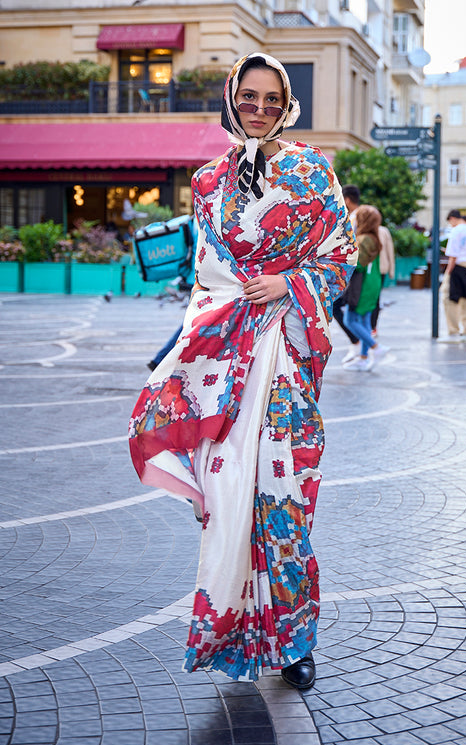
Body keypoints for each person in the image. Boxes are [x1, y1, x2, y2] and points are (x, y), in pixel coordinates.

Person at [128, 52, 358, 689]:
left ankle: (293, 643)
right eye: (249, 97)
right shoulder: (206, 182)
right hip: (226, 362)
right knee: (230, 501)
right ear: (233, 99)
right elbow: (207, 275)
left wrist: (288, 281)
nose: (260, 109)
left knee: (284, 500)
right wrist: (207, 331)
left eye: (272, 101)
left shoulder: (315, 172)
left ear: (288, 108)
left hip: (285, 358)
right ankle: (230, 628)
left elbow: (341, 255)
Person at [342, 205, 389, 371]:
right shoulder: (373, 237)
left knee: (350, 319)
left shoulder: (363, 239)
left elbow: (357, 265)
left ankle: (375, 347)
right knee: (365, 321)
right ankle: (363, 358)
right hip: (372, 283)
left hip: (362, 285)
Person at [437, 210, 466, 343]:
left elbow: (453, 255)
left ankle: (453, 332)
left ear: (452, 218)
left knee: (450, 299)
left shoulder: (456, 231)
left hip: (458, 267)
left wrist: (448, 273)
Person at [334, 184, 361, 364]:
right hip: (358, 272)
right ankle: (360, 345)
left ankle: (358, 343)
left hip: (353, 272)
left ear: (347, 199)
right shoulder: (360, 215)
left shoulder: (354, 218)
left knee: (339, 306)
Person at [371, 222, 395, 334]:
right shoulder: (362, 229)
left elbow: (390, 251)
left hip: (380, 269)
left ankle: (373, 326)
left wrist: (391, 270)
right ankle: (368, 326)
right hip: (369, 270)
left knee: (375, 298)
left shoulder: (383, 231)